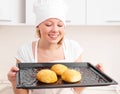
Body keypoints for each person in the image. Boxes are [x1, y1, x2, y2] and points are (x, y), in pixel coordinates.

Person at [7, 0, 103, 94]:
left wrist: (92, 75)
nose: (55, 30)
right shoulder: (25, 51)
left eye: (60, 25)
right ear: (38, 26)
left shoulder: (74, 48)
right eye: (48, 24)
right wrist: (14, 81)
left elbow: (76, 90)